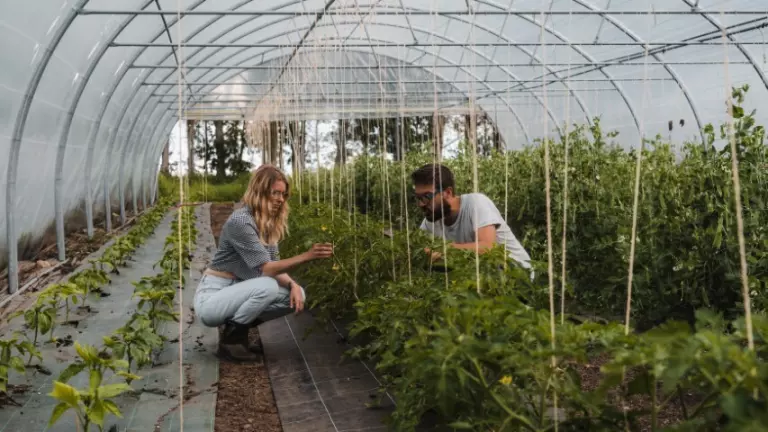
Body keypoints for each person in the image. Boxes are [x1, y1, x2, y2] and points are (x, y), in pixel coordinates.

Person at [194, 165, 333, 362]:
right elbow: (267, 269)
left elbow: (274, 265)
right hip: (212, 299)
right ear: (260, 191)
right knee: (267, 286)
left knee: (297, 295)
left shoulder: (267, 223)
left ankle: (239, 331)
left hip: (237, 290)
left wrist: (293, 285)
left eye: (283, 194)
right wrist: (306, 256)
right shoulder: (241, 221)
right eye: (275, 193)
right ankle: (231, 341)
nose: (280, 199)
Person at [411, 163, 532, 271]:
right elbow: (418, 252)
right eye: (418, 198)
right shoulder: (431, 219)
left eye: (427, 197)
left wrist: (444, 249)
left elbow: (488, 247)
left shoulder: (476, 203)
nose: (421, 204)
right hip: (486, 280)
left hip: (519, 275)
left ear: (447, 193)